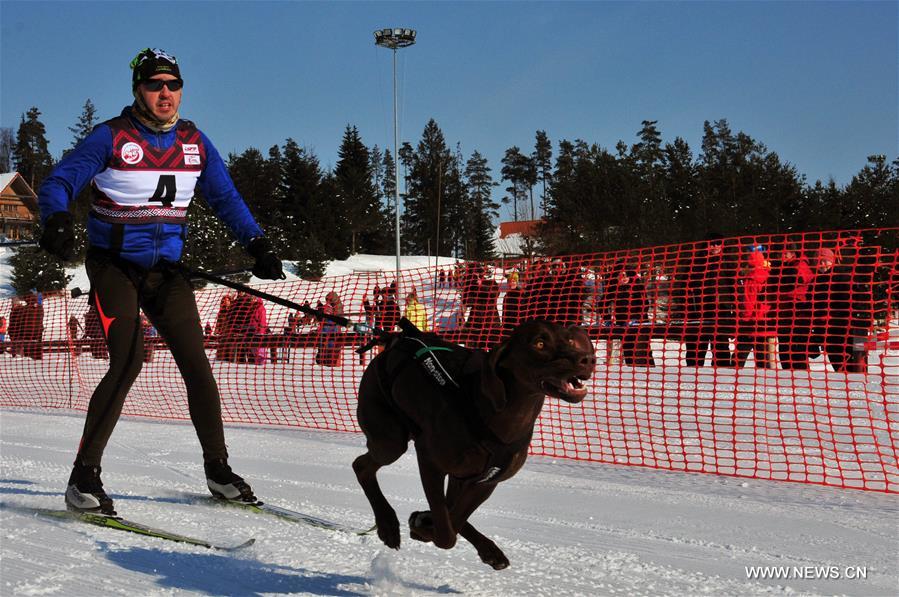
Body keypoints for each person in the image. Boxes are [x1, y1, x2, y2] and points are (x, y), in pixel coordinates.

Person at [36, 48, 284, 516]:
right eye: (155, 85)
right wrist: (55, 219)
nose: (165, 93)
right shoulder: (111, 137)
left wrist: (258, 244)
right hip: (114, 267)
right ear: (138, 90)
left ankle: (218, 469)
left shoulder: (195, 142)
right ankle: (82, 477)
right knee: (129, 360)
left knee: (197, 363)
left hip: (167, 272)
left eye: (173, 84)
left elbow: (226, 197)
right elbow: (59, 182)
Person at [674, 233, 736, 367]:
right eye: (712, 243)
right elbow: (682, 287)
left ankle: (722, 379)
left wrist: (735, 312)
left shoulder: (728, 262)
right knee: (695, 351)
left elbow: (735, 289)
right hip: (697, 312)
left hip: (720, 312)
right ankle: (692, 380)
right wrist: (684, 308)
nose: (715, 246)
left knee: (720, 350)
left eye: (718, 243)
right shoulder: (696, 262)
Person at [772, 242, 814, 369]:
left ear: (793, 253)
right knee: (785, 350)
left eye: (785, 253)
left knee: (797, 351)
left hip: (798, 314)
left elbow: (795, 280)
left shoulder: (800, 265)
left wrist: (777, 277)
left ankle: (801, 377)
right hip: (786, 315)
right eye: (780, 254)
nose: (782, 256)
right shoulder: (786, 266)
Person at [734, 245, 776, 368]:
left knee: (738, 360)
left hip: (751, 324)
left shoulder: (751, 278)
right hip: (767, 323)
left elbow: (748, 303)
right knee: (764, 362)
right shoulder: (768, 274)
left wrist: (743, 319)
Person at [316, 291, 344, 367]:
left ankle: (329, 361)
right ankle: (323, 360)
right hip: (327, 328)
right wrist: (320, 306)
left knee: (331, 344)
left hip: (333, 328)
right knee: (325, 342)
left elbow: (338, 314)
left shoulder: (337, 306)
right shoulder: (329, 306)